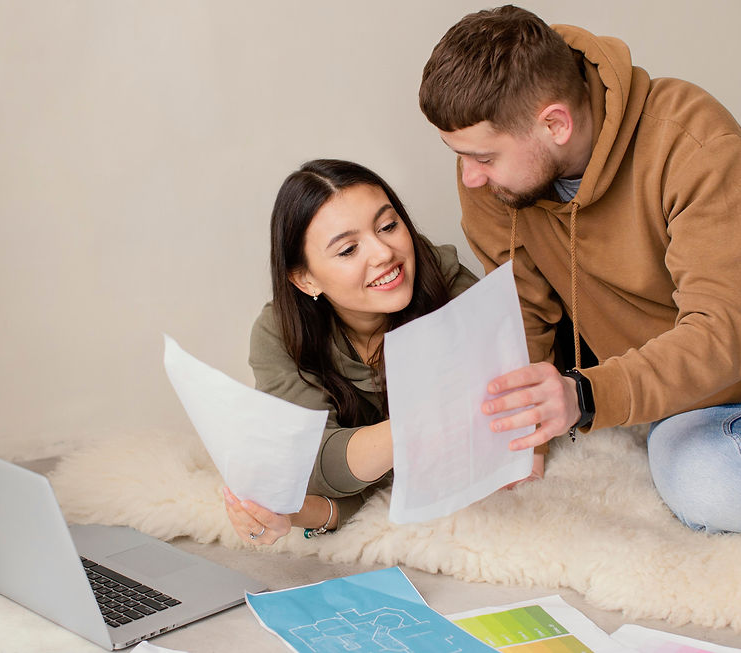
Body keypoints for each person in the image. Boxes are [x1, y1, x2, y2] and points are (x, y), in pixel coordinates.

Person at [418, 5, 741, 533]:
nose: (470, 176)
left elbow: (726, 331)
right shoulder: (495, 184)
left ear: (554, 123)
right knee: (717, 493)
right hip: (692, 407)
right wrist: (519, 435)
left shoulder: (686, 132)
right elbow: (523, 310)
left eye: (482, 156)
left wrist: (587, 394)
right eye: (458, 154)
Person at [223, 158, 534, 546]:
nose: (384, 253)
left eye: (388, 226)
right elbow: (311, 461)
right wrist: (290, 511)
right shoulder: (279, 333)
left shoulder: (446, 284)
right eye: (349, 249)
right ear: (305, 278)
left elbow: (490, 421)